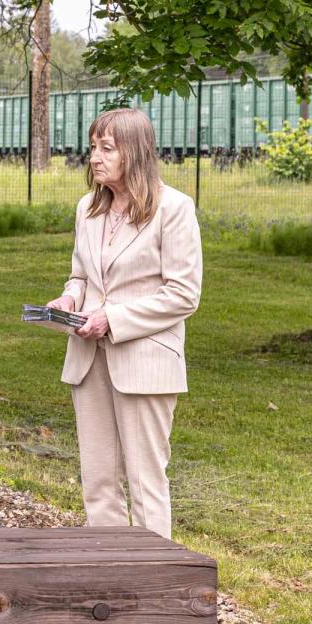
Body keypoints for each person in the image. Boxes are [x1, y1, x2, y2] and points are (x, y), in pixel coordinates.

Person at [46, 107, 202, 539]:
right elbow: (81, 275)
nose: (94, 157)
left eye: (107, 148)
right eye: (93, 147)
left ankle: (153, 573)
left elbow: (183, 294)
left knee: (145, 482)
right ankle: (107, 567)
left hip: (144, 362)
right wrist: (69, 298)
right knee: (97, 482)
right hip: (87, 358)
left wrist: (110, 319)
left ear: (134, 152)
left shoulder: (174, 209)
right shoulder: (88, 209)